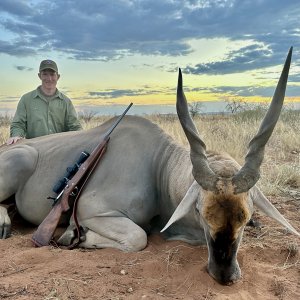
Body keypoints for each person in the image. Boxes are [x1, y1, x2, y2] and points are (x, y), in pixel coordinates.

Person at [7, 59, 82, 145]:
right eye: (45, 74)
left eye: (52, 74)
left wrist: (82, 137)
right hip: (34, 149)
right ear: (39, 76)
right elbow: (18, 124)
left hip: (60, 149)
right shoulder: (26, 99)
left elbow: (75, 127)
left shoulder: (66, 102)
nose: (49, 78)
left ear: (58, 76)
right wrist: (16, 135)